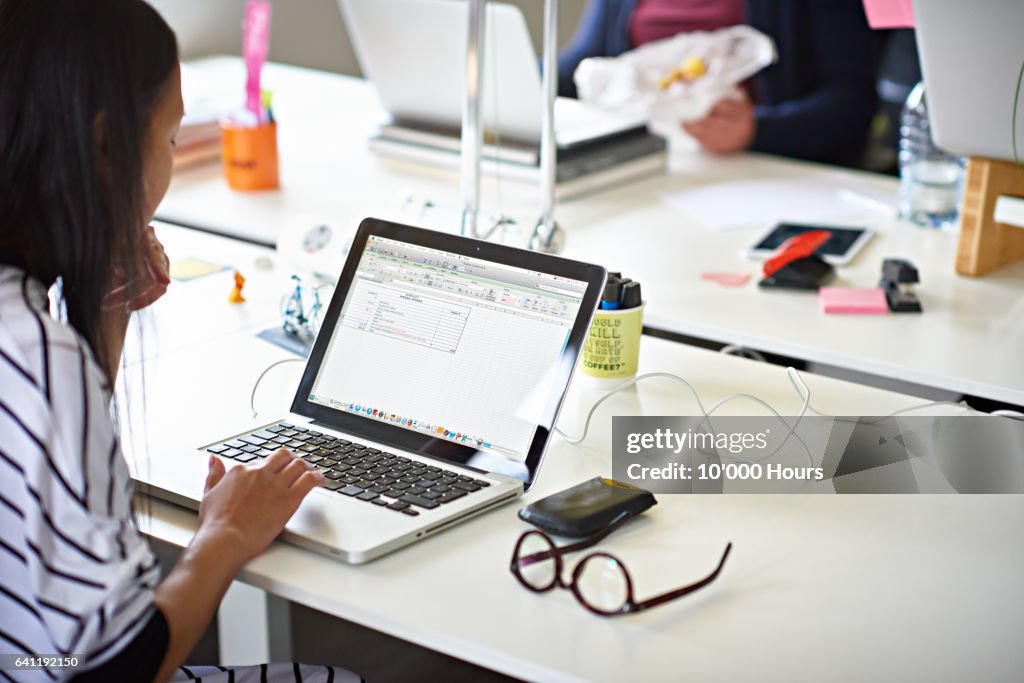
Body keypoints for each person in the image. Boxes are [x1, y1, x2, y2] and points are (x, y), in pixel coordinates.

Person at [0, 1, 359, 681]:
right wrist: (225, 535)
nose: (167, 163)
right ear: (106, 149)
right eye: (168, 141)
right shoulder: (36, 357)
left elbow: (50, 501)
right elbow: (115, 665)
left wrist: (103, 309)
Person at [558, 0, 879, 166]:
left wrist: (757, 131)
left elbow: (853, 100)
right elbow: (584, 62)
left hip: (768, 173)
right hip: (653, 166)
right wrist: (517, 82)